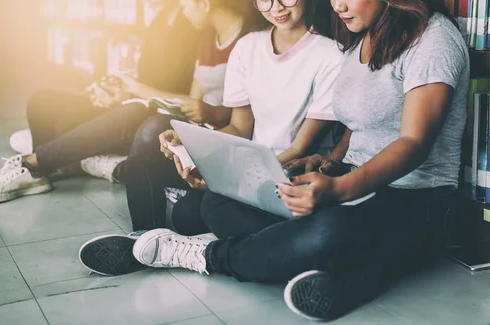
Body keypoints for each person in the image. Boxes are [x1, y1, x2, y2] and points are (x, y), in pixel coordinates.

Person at [77, 0, 470, 321]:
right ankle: (330, 266)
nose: (338, 5)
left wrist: (340, 189)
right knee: (220, 202)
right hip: (353, 184)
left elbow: (414, 141)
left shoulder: (434, 40)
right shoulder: (360, 34)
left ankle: (200, 254)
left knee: (326, 232)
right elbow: (358, 123)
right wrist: (329, 161)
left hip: (416, 199)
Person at [77, 0, 344, 279]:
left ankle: (201, 247)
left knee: (207, 209)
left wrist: (234, 175)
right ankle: (144, 237)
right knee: (153, 174)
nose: (277, 7)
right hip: (246, 165)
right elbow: (239, 129)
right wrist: (191, 148)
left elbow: (298, 148)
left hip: (285, 173)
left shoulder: (330, 55)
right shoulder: (248, 47)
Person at [0, 0, 217, 203]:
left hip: (153, 114)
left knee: (129, 113)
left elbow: (186, 99)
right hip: (132, 100)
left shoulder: (197, 23)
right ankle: (47, 170)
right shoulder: (160, 17)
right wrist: (114, 88)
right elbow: (145, 73)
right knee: (43, 101)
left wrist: (135, 91)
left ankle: (33, 164)